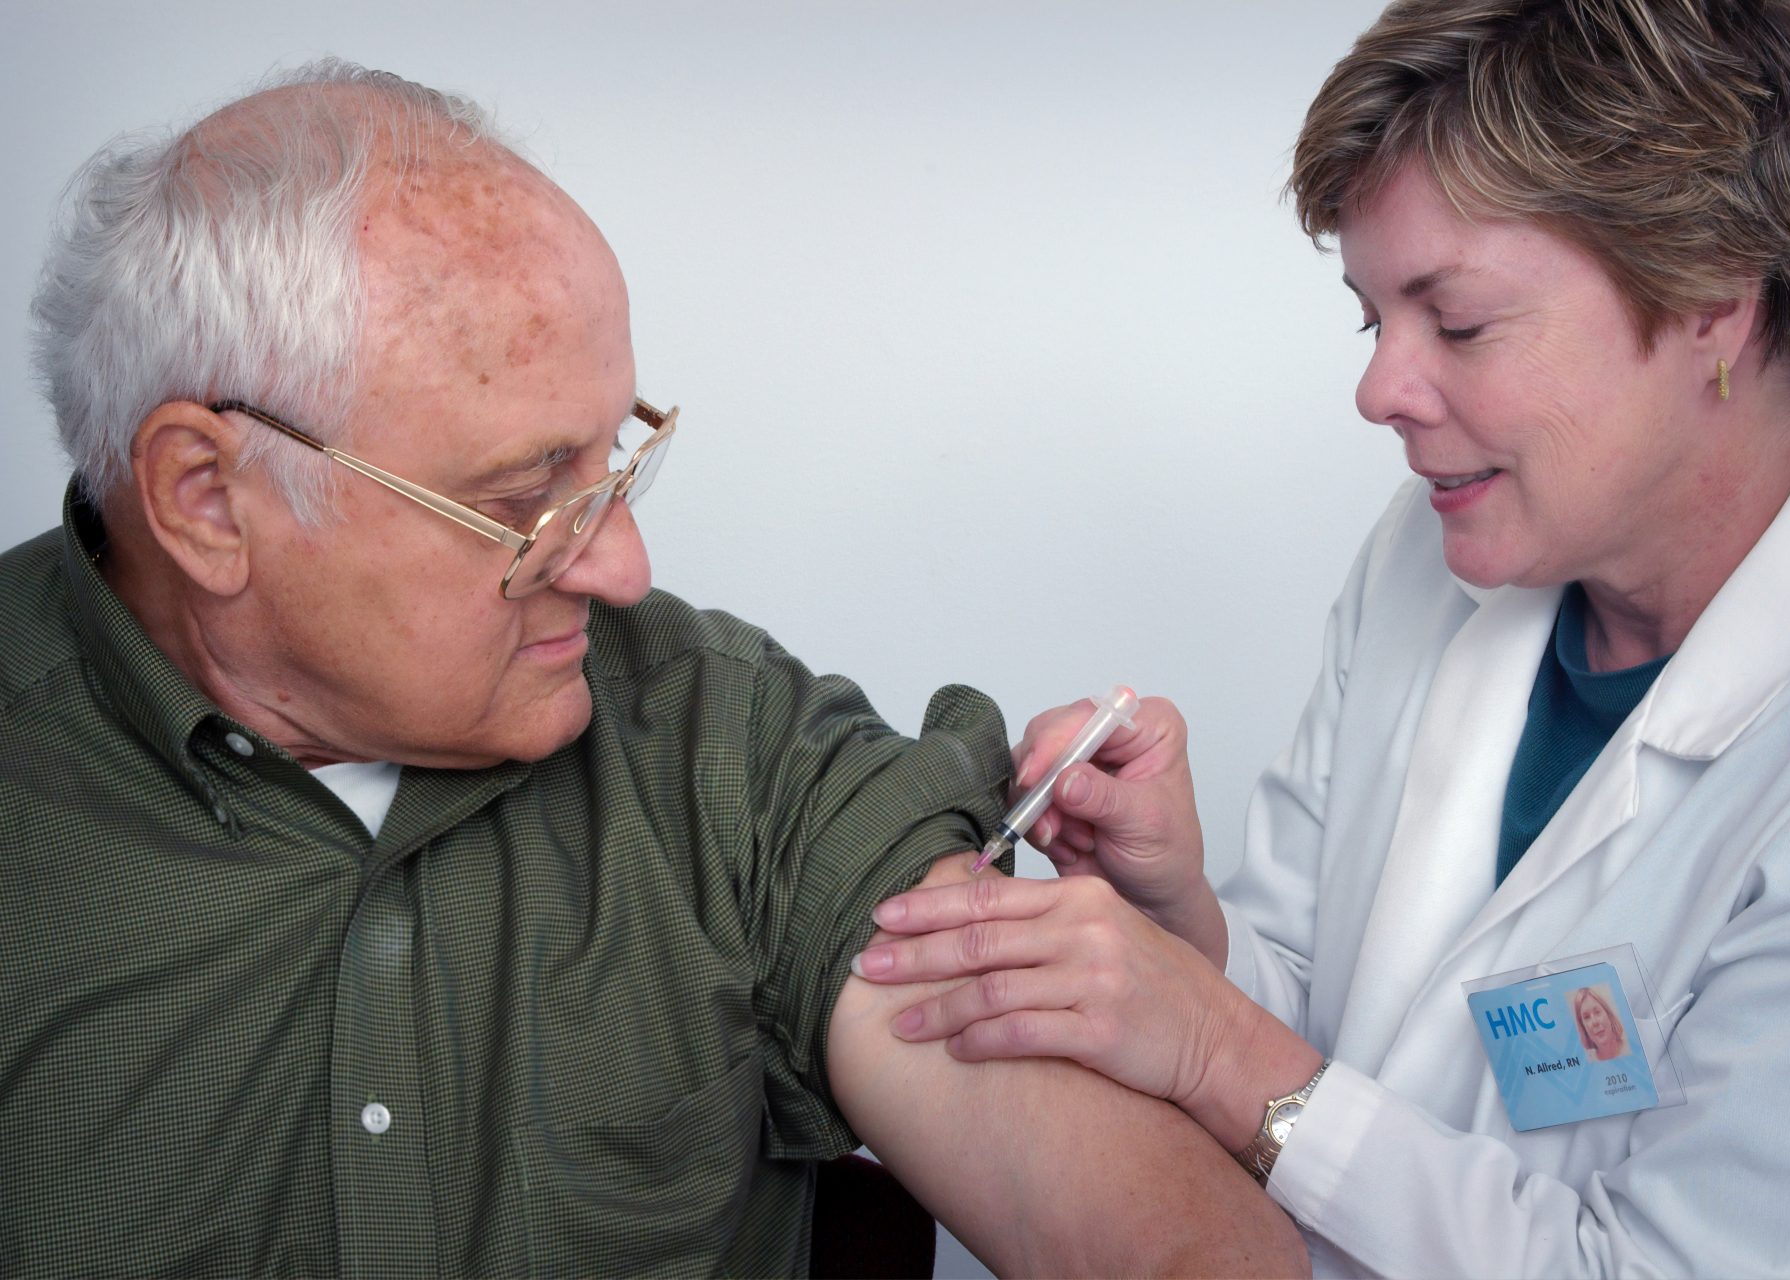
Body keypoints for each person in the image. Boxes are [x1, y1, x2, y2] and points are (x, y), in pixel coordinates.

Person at [0, 62, 1307, 1276]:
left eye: (615, 455)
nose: (622, 566)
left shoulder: (724, 748)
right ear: (208, 503)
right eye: (525, 497)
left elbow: (1172, 1240)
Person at [851, 0, 1790, 1274]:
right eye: (1373, 320)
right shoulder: (1443, 546)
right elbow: (1335, 1032)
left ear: (1712, 301)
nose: (1378, 391)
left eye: (1456, 323)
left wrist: (1211, 1041)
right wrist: (1178, 917)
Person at [1571, 988, 1626, 1063]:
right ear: (1583, 1027)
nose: (1594, 1022)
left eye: (1597, 1012)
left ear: (1608, 1015)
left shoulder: (1629, 1048)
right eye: (1587, 1017)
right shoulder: (1586, 1062)